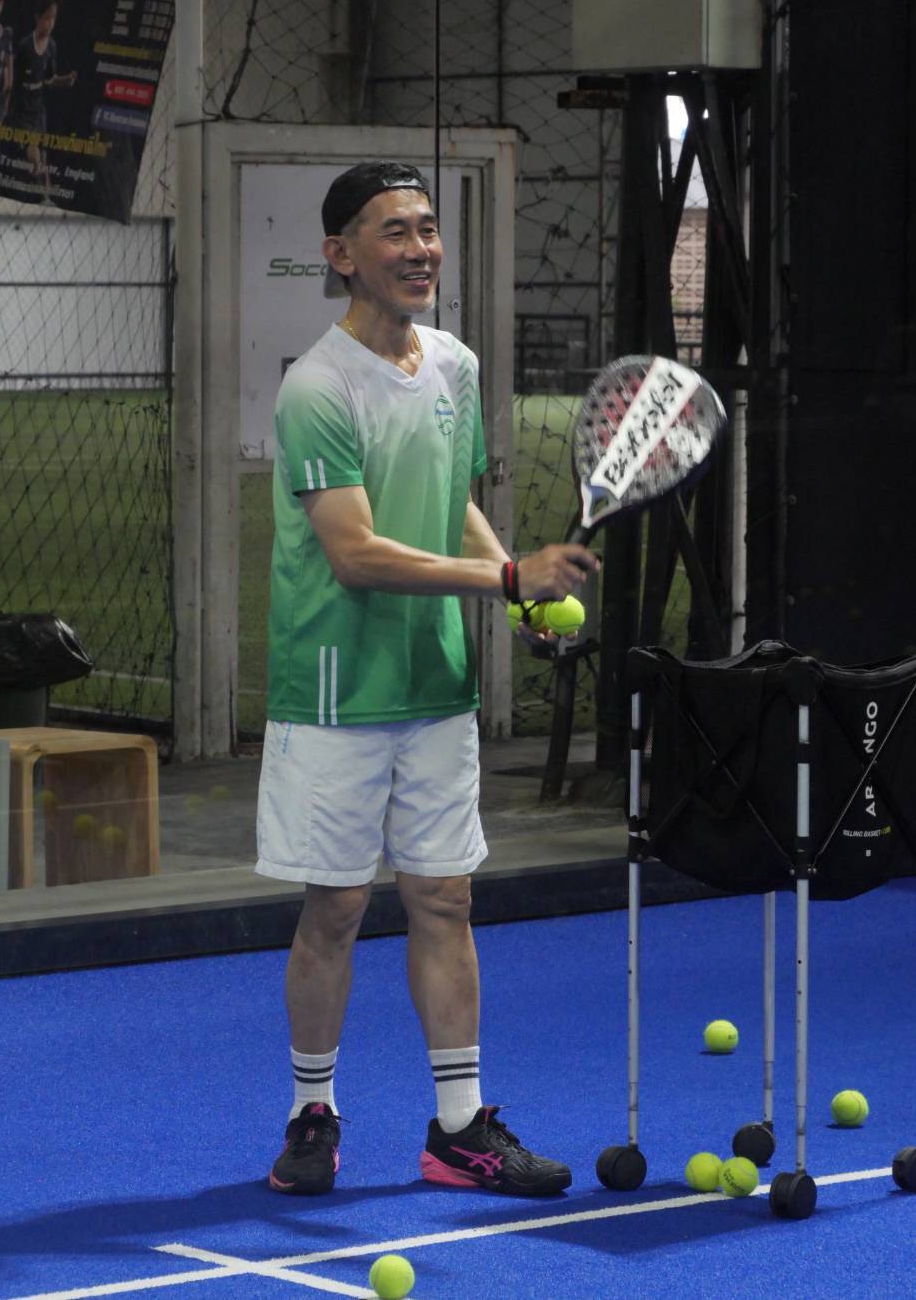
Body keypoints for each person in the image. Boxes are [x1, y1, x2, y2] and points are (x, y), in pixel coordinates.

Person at [258, 161, 600, 1199]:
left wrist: (514, 586)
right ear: (340, 254)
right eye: (393, 231)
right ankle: (312, 1111)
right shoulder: (317, 387)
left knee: (445, 898)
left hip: (435, 686)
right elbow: (356, 552)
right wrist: (507, 578)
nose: (420, 249)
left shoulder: (453, 364)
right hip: (334, 688)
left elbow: (454, 500)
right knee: (334, 908)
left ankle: (459, 1129)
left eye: (427, 228)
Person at [8, 0, 77, 197]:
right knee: (33, 152)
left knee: (43, 154)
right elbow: (12, 80)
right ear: (37, 18)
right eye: (47, 18)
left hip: (38, 108)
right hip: (22, 108)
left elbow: (49, 80)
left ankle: (46, 196)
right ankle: (33, 183)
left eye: (53, 18)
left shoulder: (52, 46)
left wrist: (65, 80)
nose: (50, 23)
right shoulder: (23, 47)